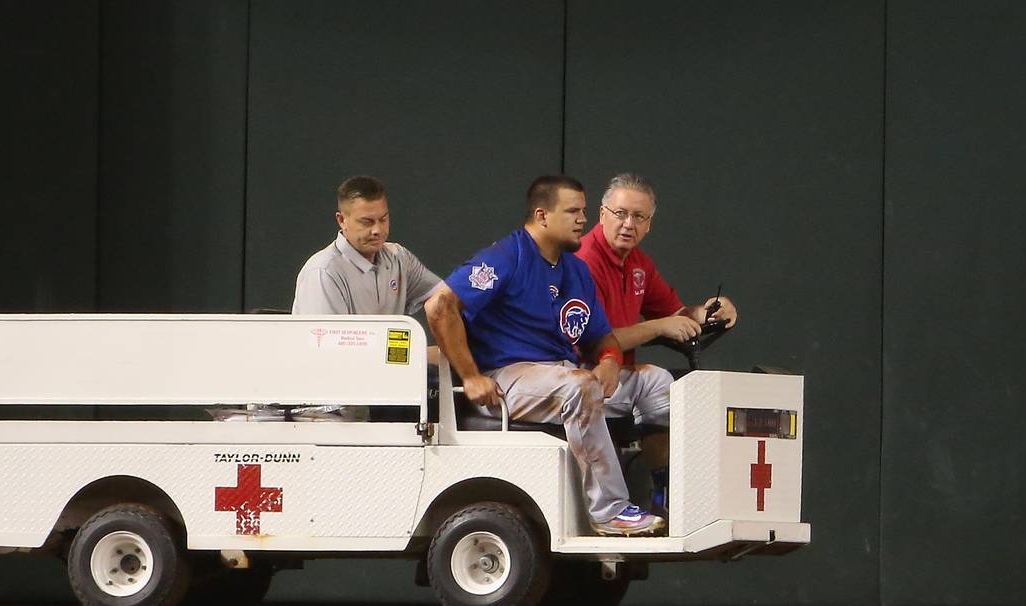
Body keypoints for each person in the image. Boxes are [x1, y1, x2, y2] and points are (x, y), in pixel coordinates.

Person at [424, 175, 664, 536]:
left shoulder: (575, 270)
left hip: (561, 374)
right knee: (579, 386)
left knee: (655, 381)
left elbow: (601, 336)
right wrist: (471, 376)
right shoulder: (507, 256)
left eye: (583, 211)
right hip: (508, 378)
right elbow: (439, 305)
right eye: (572, 211)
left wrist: (611, 360)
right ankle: (610, 511)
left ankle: (663, 493)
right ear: (542, 215)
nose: (582, 219)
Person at [575, 173, 738, 515]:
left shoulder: (638, 264)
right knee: (658, 380)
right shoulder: (583, 262)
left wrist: (707, 311)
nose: (628, 224)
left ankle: (666, 494)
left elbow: (676, 312)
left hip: (618, 378)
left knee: (666, 387)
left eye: (639, 217)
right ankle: (658, 497)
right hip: (581, 379)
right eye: (620, 214)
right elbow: (597, 343)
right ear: (602, 214)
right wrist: (660, 327)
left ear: (649, 224)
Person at [292, 175, 442, 315]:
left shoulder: (399, 258)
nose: (377, 230)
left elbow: (445, 297)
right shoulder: (323, 273)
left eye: (383, 219)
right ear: (342, 220)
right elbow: (323, 342)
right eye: (367, 222)